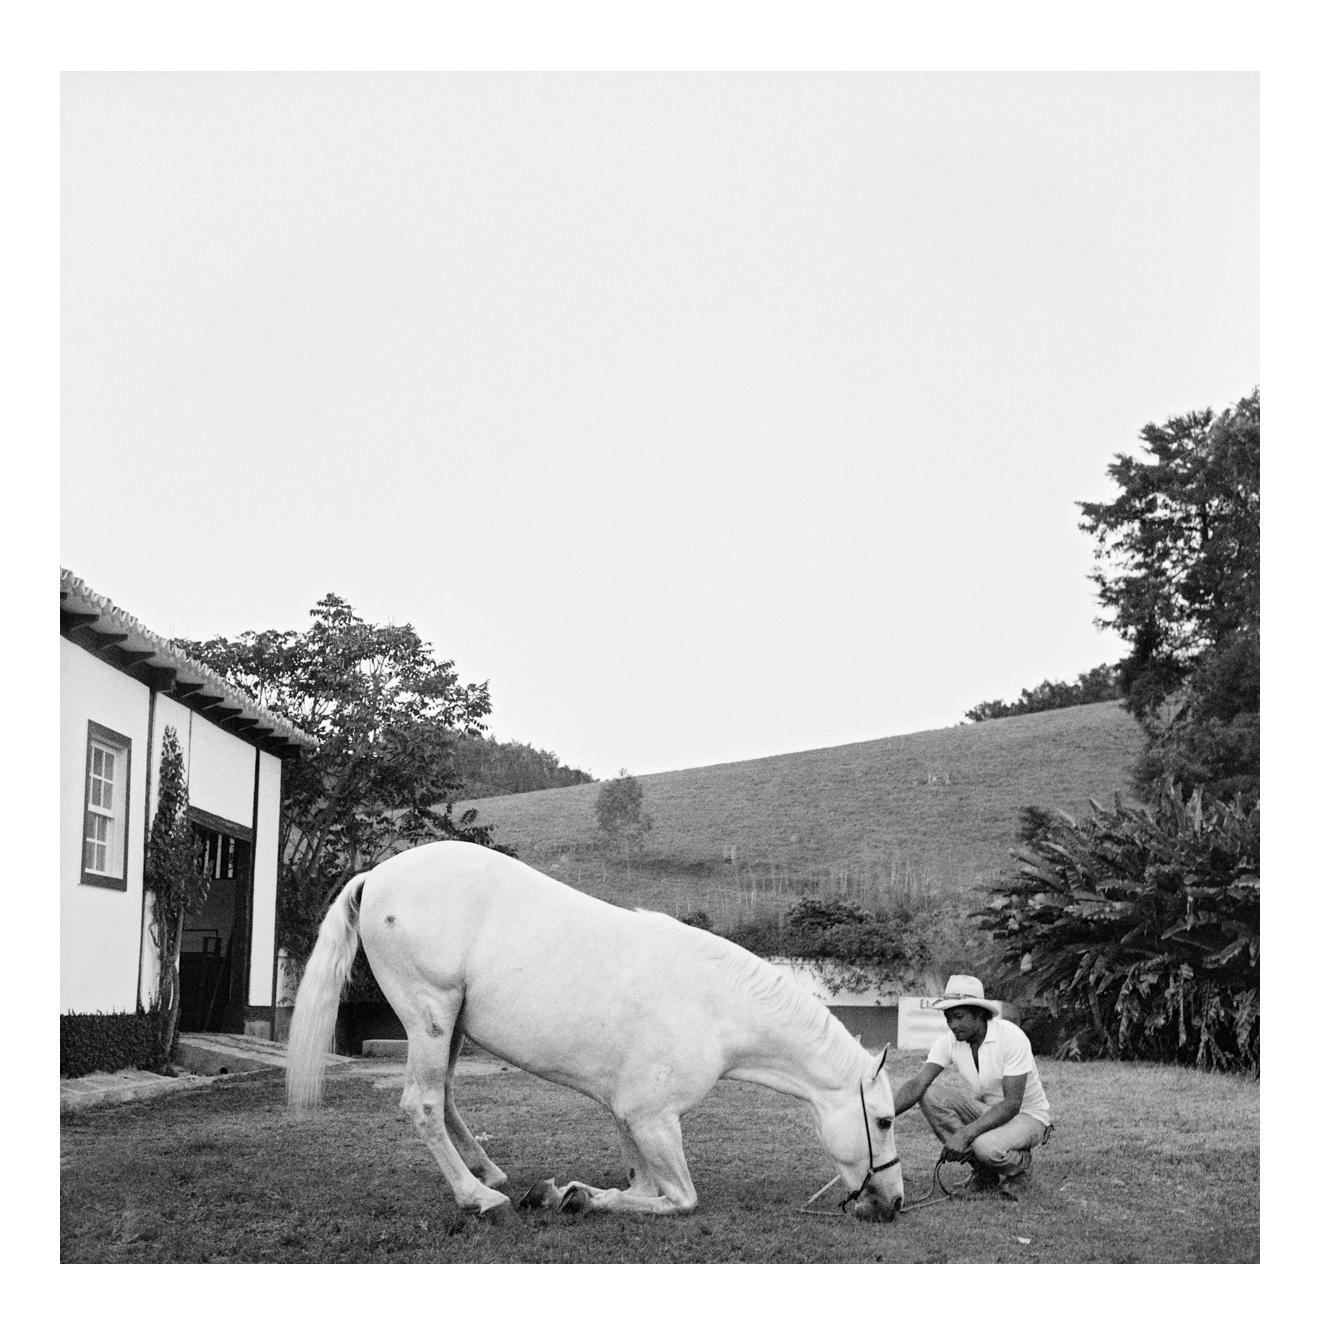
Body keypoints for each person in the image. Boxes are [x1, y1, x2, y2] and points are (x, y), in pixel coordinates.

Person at [892, 974, 1051, 1198]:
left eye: (958, 1016)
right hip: (988, 1112)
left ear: (978, 1013)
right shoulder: (950, 1041)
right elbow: (918, 1083)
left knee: (985, 1147)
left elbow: (1012, 1104)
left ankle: (1020, 1167)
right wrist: (883, 1116)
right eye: (948, 1018)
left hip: (1027, 1117)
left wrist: (966, 1134)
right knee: (929, 1095)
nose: (952, 1025)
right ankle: (984, 1174)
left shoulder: (1011, 1036)